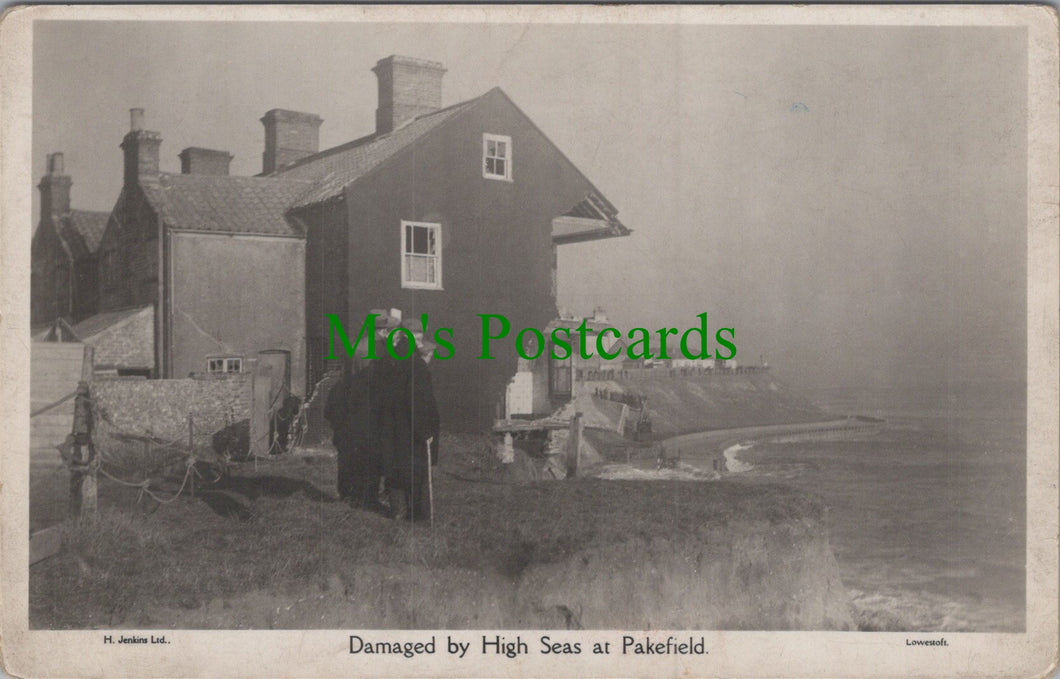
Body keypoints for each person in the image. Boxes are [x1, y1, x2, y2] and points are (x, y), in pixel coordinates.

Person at [375, 329, 440, 523]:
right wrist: (425, 432)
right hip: (412, 432)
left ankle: (398, 512)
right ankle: (420, 516)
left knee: (395, 471)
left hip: (391, 430)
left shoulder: (387, 366)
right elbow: (419, 403)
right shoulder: (418, 368)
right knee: (417, 473)